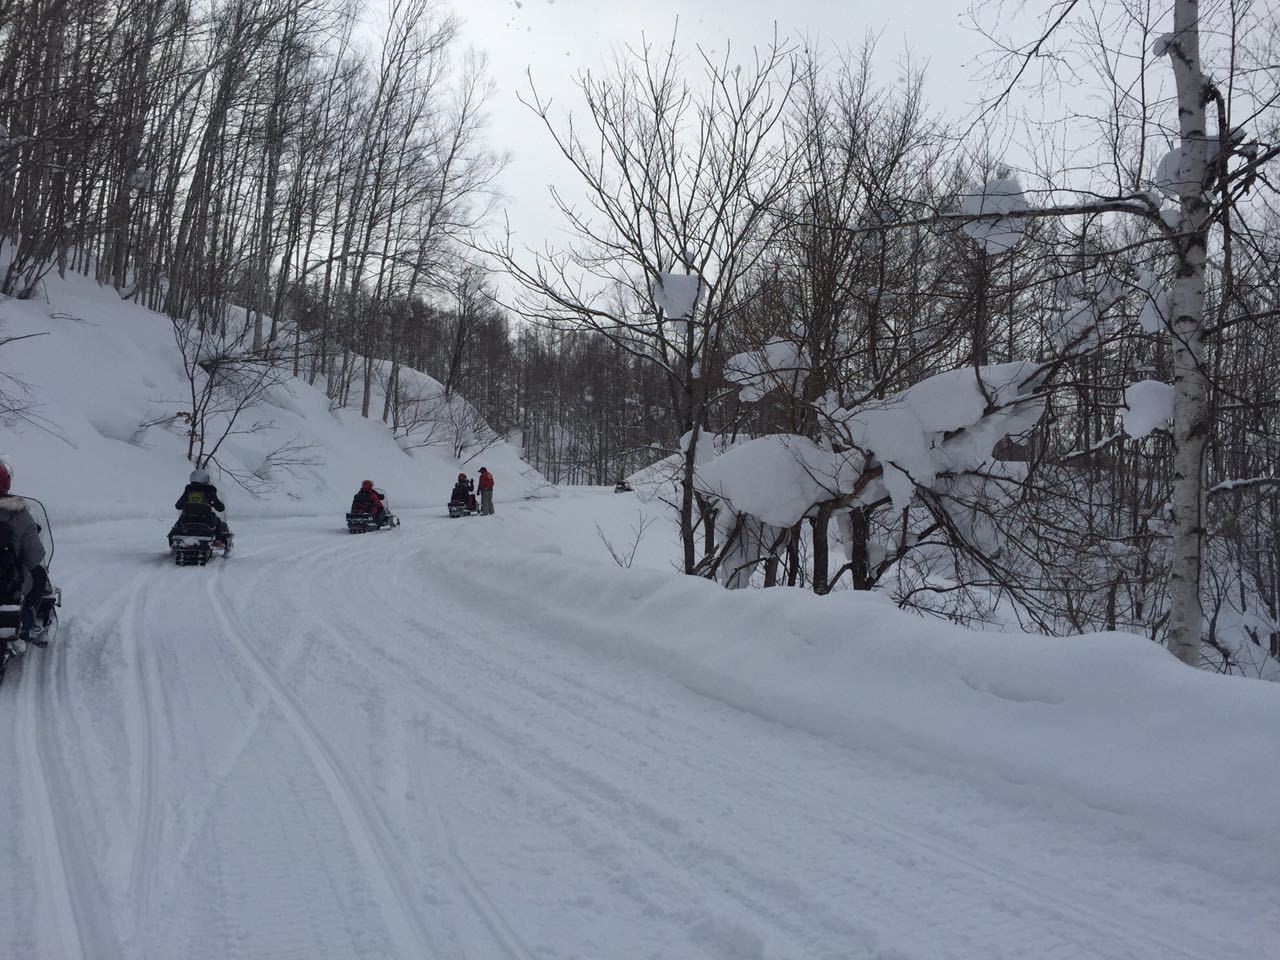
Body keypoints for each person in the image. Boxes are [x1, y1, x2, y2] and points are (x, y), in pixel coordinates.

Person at [0, 455, 48, 652]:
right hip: (4, 583)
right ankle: (28, 624)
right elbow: (34, 556)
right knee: (39, 575)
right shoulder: (18, 513)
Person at [175, 467, 232, 545]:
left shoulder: (189, 490)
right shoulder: (209, 490)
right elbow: (220, 508)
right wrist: (215, 502)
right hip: (206, 520)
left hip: (188, 519)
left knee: (178, 522)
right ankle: (218, 540)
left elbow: (178, 506)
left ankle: (175, 536)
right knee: (218, 521)